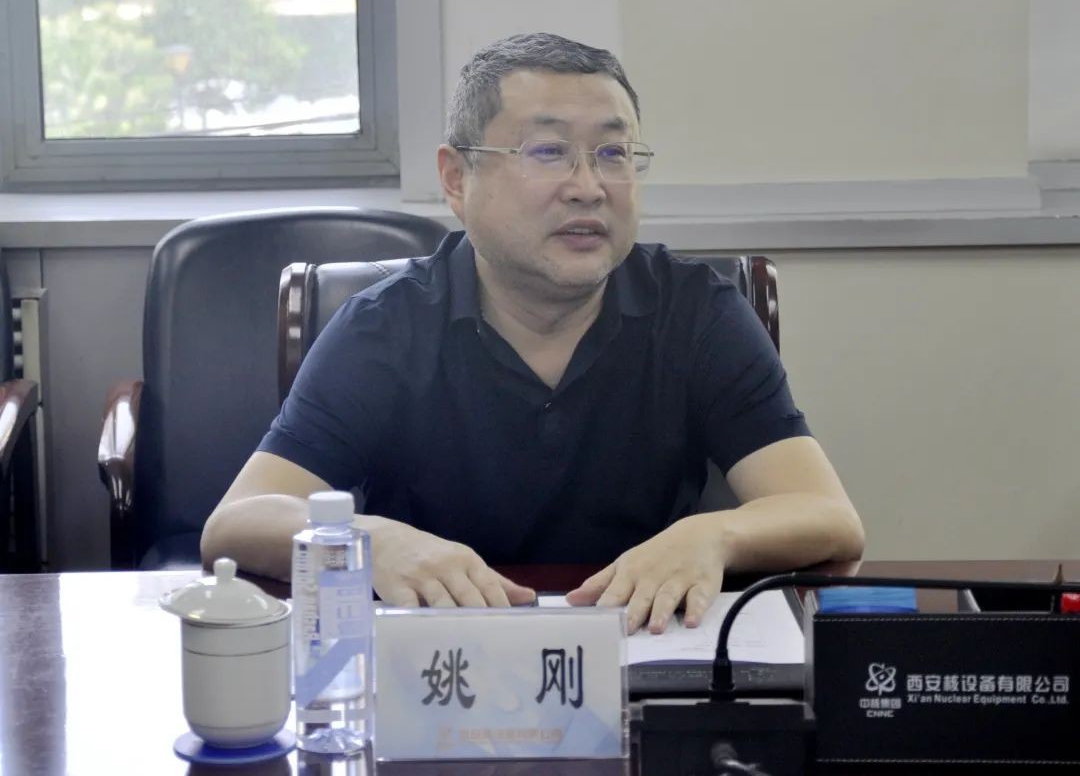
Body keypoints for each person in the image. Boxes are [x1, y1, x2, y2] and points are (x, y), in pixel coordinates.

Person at [201, 32, 864, 634]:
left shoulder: (695, 312)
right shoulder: (385, 326)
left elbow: (828, 517)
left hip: (642, 647)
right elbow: (235, 523)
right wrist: (370, 540)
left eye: (613, 153)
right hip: (440, 662)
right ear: (457, 178)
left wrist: (714, 536)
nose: (588, 187)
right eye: (548, 152)